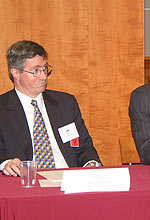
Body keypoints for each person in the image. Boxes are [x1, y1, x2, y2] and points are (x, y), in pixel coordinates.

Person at [0, 40, 101, 177]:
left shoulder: (66, 103)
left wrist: (91, 163)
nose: (44, 76)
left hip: (68, 180)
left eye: (45, 68)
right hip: (27, 182)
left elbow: (83, 146)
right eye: (36, 71)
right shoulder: (2, 109)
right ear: (16, 73)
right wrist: (6, 163)